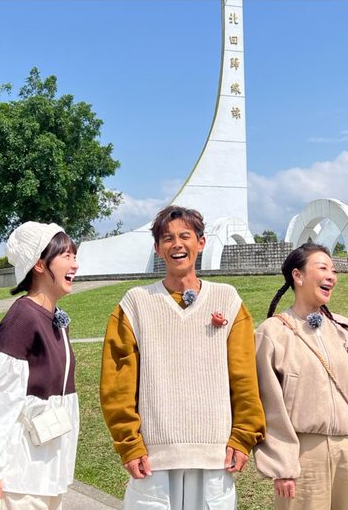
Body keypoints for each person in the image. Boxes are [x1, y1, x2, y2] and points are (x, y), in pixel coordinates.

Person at [100, 205, 266, 510]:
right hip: (154, 457)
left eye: (185, 236)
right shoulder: (135, 304)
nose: (177, 244)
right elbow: (117, 384)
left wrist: (243, 436)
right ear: (157, 248)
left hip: (215, 455)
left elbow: (244, 377)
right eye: (167, 238)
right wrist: (129, 444)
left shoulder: (228, 300)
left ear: (200, 243)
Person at [253, 242, 348, 510]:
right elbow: (267, 404)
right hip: (304, 456)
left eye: (334, 270)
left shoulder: (346, 330)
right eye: (322, 268)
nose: (331, 276)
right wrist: (282, 464)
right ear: (298, 276)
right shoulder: (272, 332)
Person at [0, 221, 80, 510]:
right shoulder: (23, 319)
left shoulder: (55, 318)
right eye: (66, 256)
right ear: (39, 265)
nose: (75, 264)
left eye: (75, 255)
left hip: (45, 473)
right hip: (18, 477)